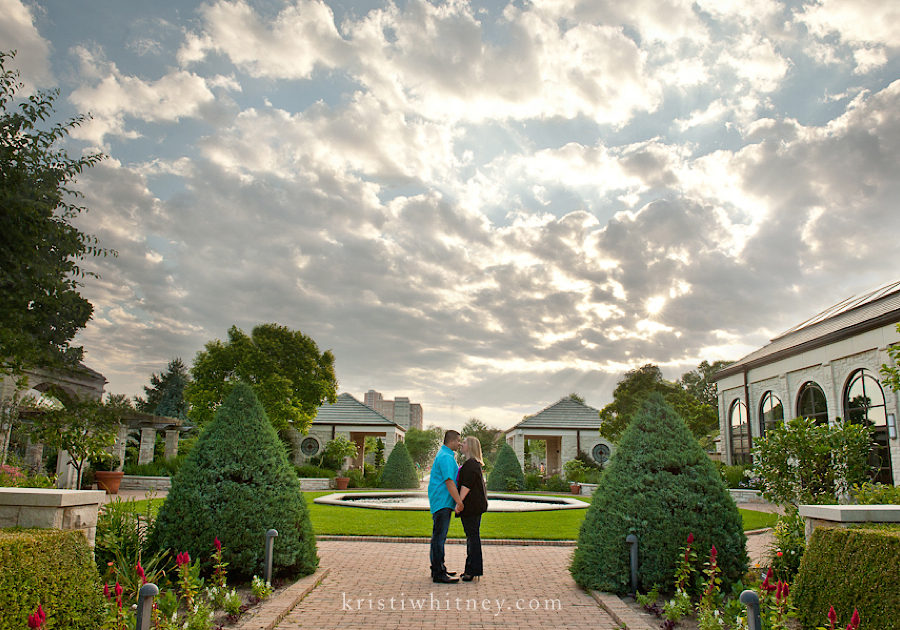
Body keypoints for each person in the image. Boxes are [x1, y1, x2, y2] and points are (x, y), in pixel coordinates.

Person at [428, 430, 463, 583]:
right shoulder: (446, 457)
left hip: (440, 500)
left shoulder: (444, 455)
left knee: (438, 536)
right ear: (452, 441)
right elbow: (449, 481)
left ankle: (438, 567)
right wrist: (459, 501)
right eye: (458, 441)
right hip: (442, 501)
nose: (460, 444)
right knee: (439, 537)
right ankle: (438, 572)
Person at [455, 436, 488, 582]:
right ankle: (470, 568)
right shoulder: (472, 464)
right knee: (471, 536)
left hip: (472, 507)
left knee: (472, 537)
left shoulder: (471, 465)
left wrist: (458, 502)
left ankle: (472, 570)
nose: (461, 444)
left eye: (465, 443)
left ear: (471, 447)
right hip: (474, 507)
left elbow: (466, 486)